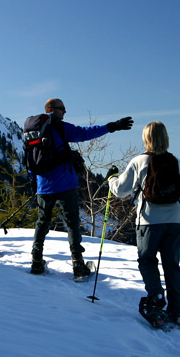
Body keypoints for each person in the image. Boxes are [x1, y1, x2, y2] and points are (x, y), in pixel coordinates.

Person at [27, 98, 133, 277]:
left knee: (42, 222)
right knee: (72, 225)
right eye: (62, 109)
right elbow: (85, 133)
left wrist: (35, 183)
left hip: (43, 185)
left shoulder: (33, 132)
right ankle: (78, 265)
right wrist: (112, 126)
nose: (65, 112)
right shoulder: (60, 127)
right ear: (52, 110)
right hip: (65, 184)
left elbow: (30, 160)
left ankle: (36, 261)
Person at [107, 121, 180, 324]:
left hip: (149, 220)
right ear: (166, 138)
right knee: (172, 265)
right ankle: (177, 311)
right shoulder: (176, 161)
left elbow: (120, 190)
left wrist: (111, 178)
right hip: (175, 221)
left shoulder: (140, 161)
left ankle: (155, 297)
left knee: (147, 260)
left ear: (146, 138)